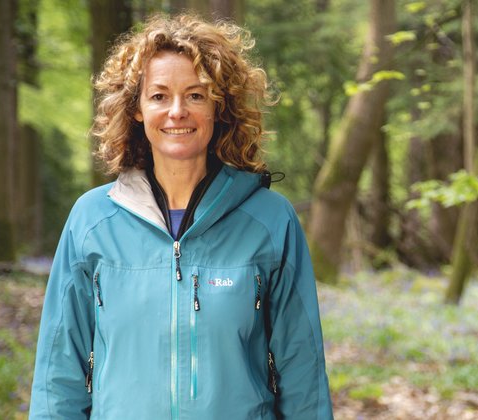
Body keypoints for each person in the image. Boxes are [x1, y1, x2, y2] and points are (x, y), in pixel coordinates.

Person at [29, 14, 333, 419]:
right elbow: (58, 370)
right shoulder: (92, 220)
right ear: (136, 108)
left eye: (195, 95)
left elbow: (303, 370)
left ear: (218, 107)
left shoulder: (271, 221)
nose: (177, 111)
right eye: (158, 96)